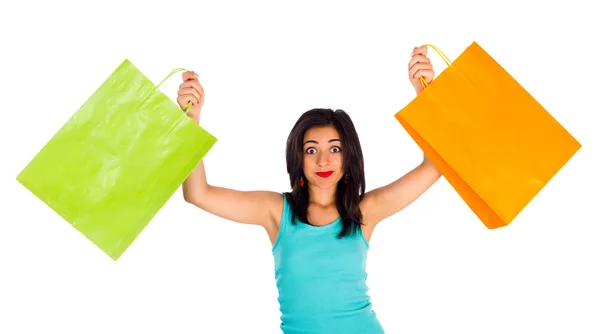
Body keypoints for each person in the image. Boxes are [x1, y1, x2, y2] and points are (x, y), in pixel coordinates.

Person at [176, 45, 442, 333]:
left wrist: (425, 93)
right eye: (311, 149)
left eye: (335, 149)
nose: (323, 160)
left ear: (348, 155)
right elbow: (197, 194)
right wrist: (191, 119)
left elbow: (434, 166)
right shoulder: (276, 212)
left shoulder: (365, 211)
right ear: (298, 158)